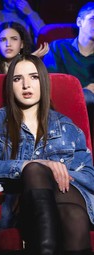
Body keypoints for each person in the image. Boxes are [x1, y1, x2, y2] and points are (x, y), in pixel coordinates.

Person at [0, 54, 94, 255]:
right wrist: (30, 165)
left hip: (68, 199)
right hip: (20, 207)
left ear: (43, 82)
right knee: (35, 170)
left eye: (34, 77)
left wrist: (53, 178)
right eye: (17, 79)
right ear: (10, 86)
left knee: (74, 216)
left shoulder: (66, 126)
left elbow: (89, 176)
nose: (26, 85)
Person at [43, 2, 94, 148]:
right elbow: (51, 82)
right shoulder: (58, 47)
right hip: (63, 107)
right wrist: (83, 90)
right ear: (79, 22)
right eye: (93, 19)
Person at [0, 21, 49, 108]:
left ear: (22, 44)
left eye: (14, 39)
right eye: (3, 40)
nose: (8, 44)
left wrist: (27, 61)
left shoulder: (32, 64)